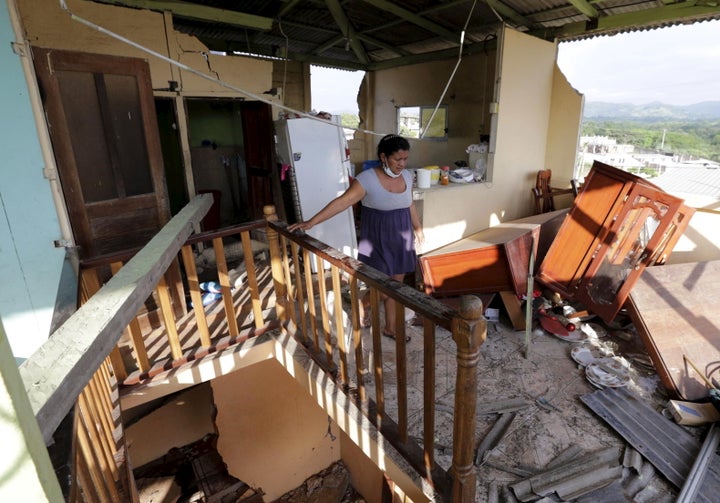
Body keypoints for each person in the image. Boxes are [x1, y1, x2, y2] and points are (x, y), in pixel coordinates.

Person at [288, 134, 424, 340]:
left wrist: (418, 227)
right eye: (398, 159)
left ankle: (390, 327)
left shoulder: (407, 176)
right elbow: (342, 202)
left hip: (401, 237)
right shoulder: (367, 179)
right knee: (384, 287)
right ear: (384, 157)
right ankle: (362, 303)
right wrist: (311, 222)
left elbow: (409, 203)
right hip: (377, 238)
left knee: (396, 285)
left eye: (405, 159)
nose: (402, 164)